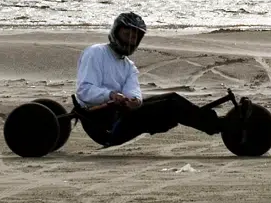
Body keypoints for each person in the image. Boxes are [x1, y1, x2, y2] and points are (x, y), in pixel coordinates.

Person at [74, 11, 223, 146]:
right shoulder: (96, 52)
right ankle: (220, 126)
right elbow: (84, 91)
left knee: (171, 101)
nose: (130, 41)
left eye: (134, 38)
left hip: (122, 117)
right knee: (172, 103)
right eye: (127, 35)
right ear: (116, 32)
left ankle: (215, 122)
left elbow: (133, 91)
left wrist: (135, 101)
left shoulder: (129, 66)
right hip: (101, 123)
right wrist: (111, 95)